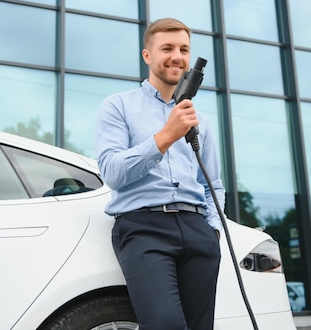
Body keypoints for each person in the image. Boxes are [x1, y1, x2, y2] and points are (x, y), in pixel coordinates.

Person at [96, 17, 226, 330]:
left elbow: (213, 186)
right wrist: (165, 136)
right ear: (147, 56)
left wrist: (213, 230)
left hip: (197, 229)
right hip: (144, 228)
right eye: (167, 48)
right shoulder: (118, 106)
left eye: (184, 49)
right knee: (165, 325)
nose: (177, 56)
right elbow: (112, 172)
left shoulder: (201, 121)